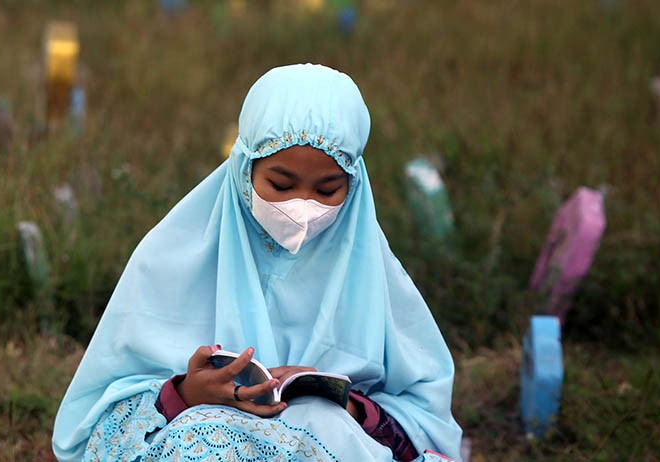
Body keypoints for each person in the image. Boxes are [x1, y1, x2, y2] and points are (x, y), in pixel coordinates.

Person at [52, 63, 463, 461]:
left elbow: (425, 427)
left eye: (328, 189)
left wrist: (347, 405)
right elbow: (99, 428)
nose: (302, 205)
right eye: (281, 185)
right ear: (243, 169)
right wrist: (188, 394)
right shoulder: (168, 260)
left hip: (329, 444)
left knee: (320, 422)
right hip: (206, 442)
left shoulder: (375, 278)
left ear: (355, 186)